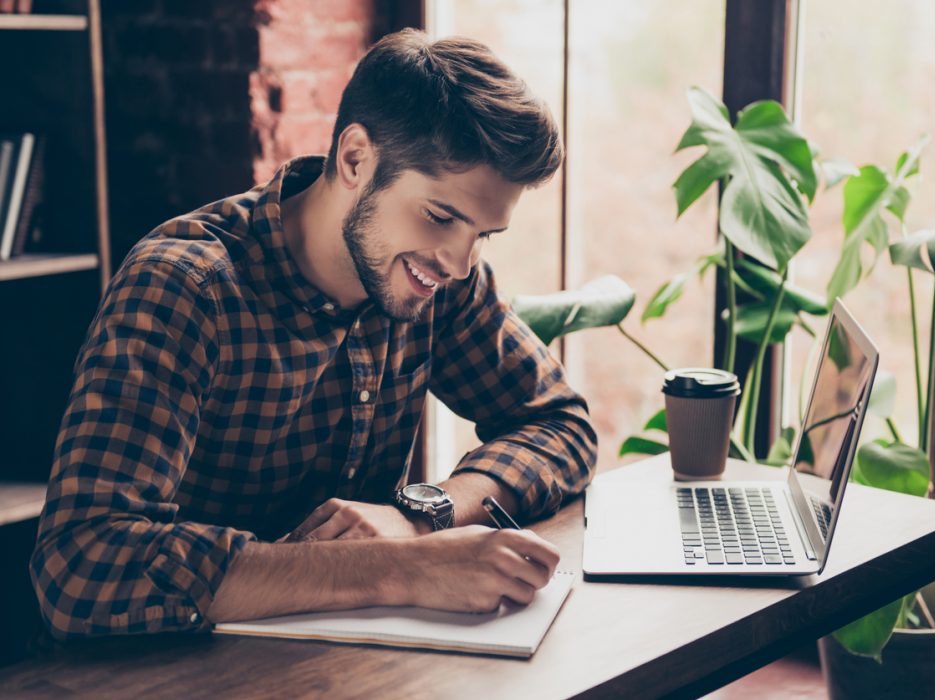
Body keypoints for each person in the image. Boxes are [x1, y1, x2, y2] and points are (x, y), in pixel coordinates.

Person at [30, 29, 597, 639]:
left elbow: (561, 425)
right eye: (441, 216)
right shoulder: (186, 286)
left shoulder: (439, 275)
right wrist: (393, 569)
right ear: (356, 159)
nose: (459, 262)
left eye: (483, 233)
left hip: (348, 661)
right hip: (166, 670)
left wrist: (423, 516)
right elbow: (80, 565)